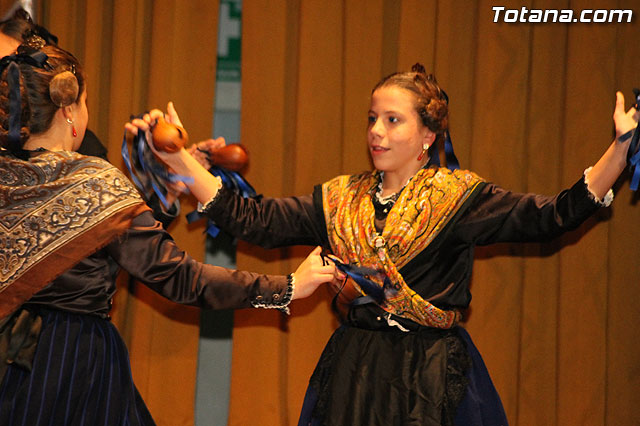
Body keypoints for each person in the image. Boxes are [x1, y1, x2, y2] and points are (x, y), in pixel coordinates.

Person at [128, 64, 638, 425]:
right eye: (373, 118)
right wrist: (179, 163)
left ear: (427, 136)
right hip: (354, 369)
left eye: (393, 120)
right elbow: (255, 219)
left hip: (428, 379)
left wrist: (619, 149)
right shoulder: (339, 200)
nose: (376, 131)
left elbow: (552, 217)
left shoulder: (459, 200)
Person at [0, 40, 339, 425]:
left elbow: (95, 235)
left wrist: (165, 180)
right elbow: (179, 277)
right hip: (72, 363)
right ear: (69, 111)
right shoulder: (94, 183)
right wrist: (287, 286)